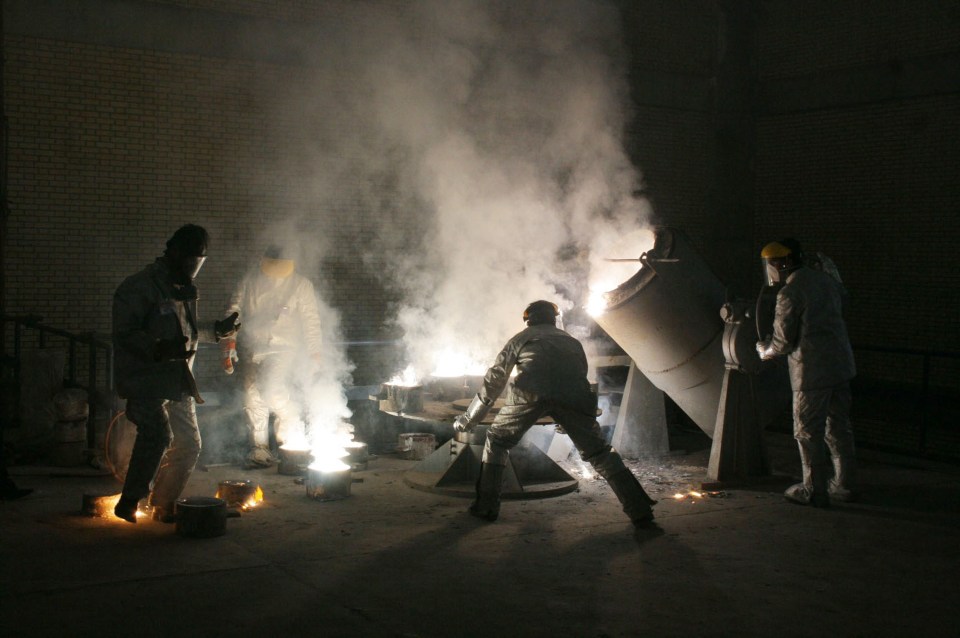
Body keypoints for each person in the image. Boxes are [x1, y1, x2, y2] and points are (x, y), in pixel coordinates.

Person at [453, 300, 657, 527]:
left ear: (528, 319)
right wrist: (576, 418)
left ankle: (486, 507)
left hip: (529, 396)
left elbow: (495, 381)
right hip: (574, 399)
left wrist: (469, 419)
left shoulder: (519, 340)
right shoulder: (572, 342)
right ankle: (640, 509)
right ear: (553, 318)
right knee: (600, 453)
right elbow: (581, 378)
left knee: (498, 441)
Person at [112, 225, 240, 523]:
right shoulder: (139, 287)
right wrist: (158, 348)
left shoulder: (181, 290)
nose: (193, 267)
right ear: (175, 253)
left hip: (177, 378)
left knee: (190, 444)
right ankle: (130, 500)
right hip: (147, 379)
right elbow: (125, 333)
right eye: (191, 260)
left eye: (199, 261)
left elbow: (188, 334)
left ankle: (164, 504)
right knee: (157, 434)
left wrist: (217, 331)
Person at [756, 238, 857, 507]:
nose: (771, 268)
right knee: (838, 428)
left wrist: (765, 350)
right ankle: (845, 484)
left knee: (807, 432)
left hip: (811, 373)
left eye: (772, 263)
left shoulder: (789, 293)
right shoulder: (826, 281)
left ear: (783, 262)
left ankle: (813, 489)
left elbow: (783, 342)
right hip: (840, 366)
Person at [222, 245, 323, 468]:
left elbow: (311, 321)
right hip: (252, 347)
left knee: (274, 390)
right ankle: (259, 448)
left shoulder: (300, 284)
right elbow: (234, 312)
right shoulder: (250, 281)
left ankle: (291, 437)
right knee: (253, 397)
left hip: (285, 350)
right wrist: (228, 343)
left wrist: (315, 354)